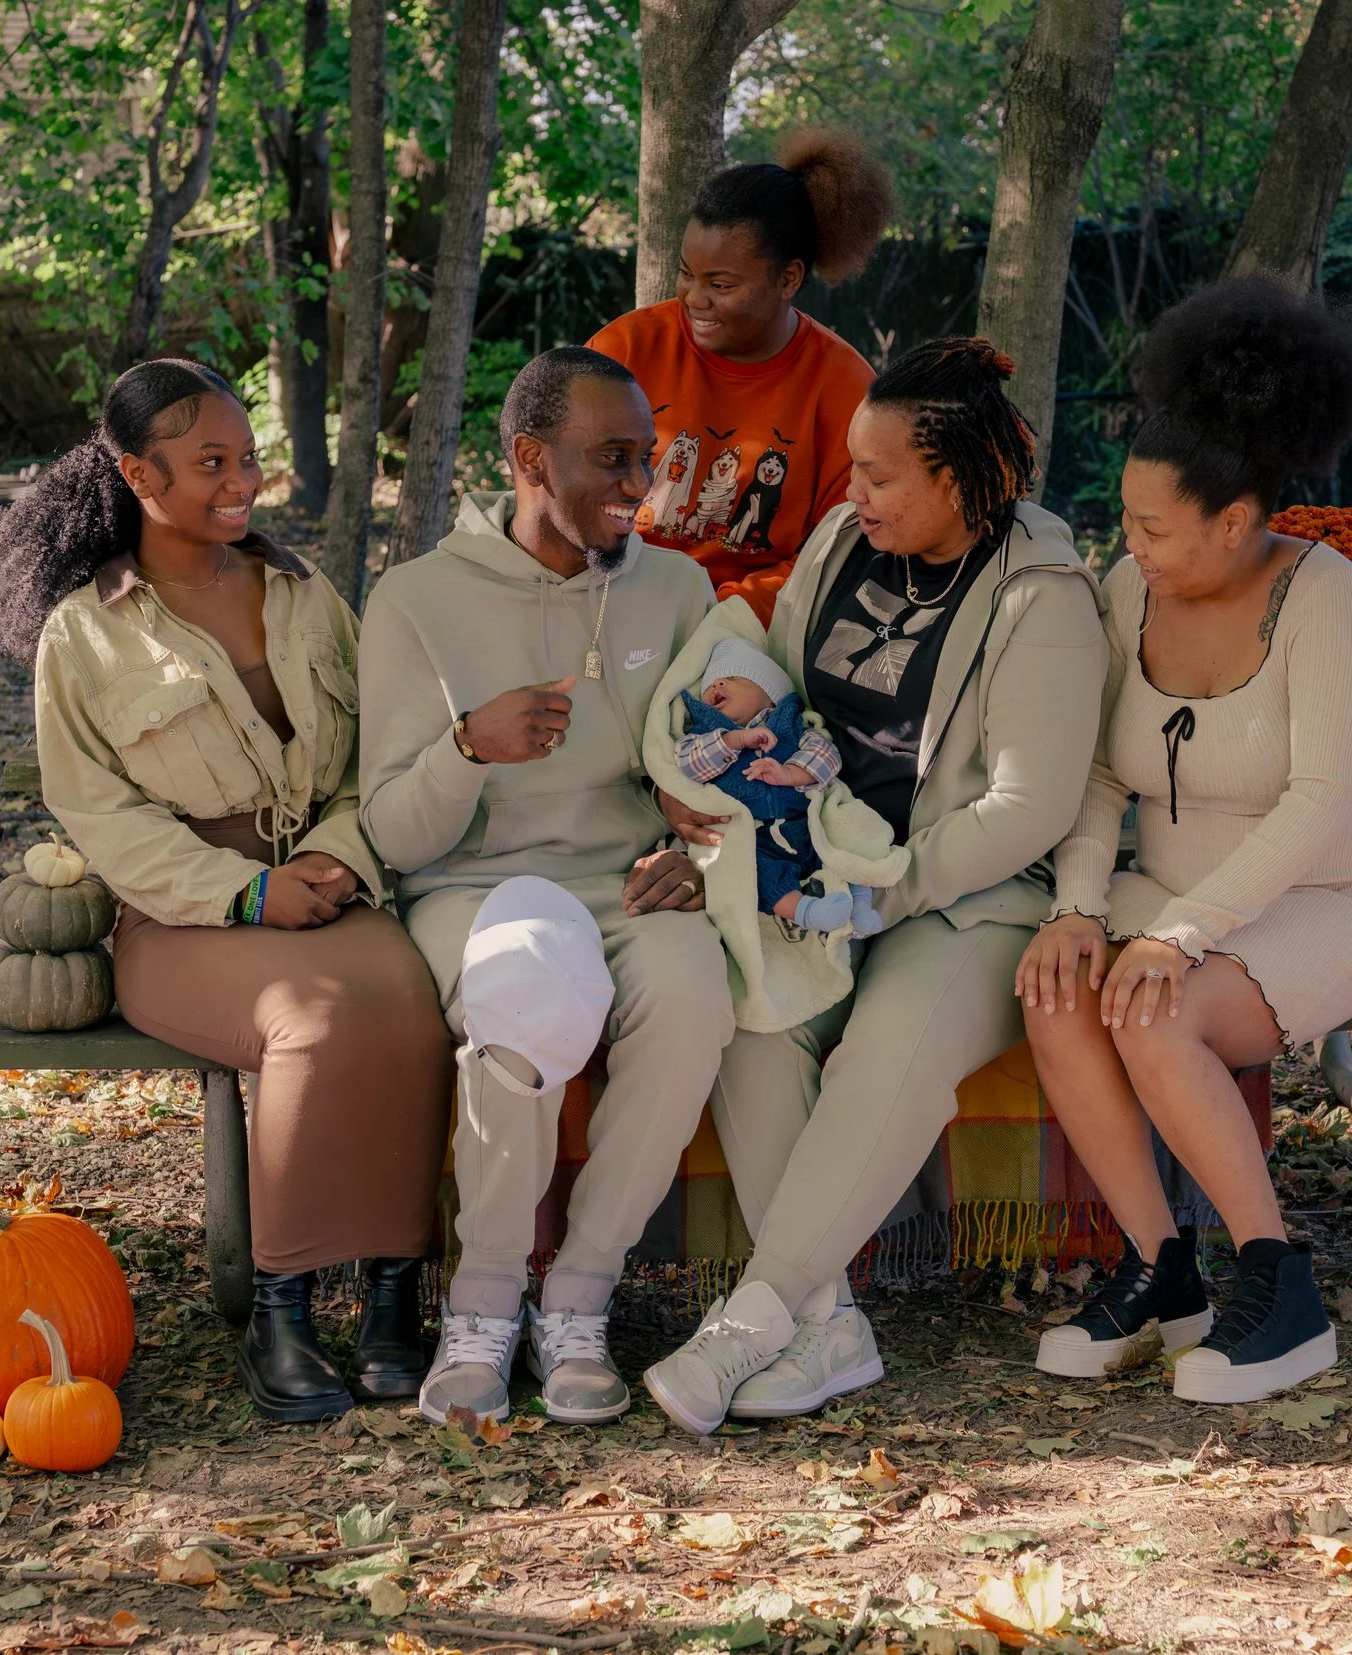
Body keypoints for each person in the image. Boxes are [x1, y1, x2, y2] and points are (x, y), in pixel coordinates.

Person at [0, 359, 453, 1425]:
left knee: (412, 1006)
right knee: (308, 1020)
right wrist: (245, 893)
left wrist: (340, 856)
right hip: (184, 918)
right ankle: (280, 1312)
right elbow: (100, 817)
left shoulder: (303, 592)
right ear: (139, 474)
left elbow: (375, 751)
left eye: (248, 457)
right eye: (211, 463)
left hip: (327, 885)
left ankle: (390, 1300)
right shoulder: (86, 633)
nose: (243, 483)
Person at [641, 339, 1107, 1433]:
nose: (851, 492)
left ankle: (749, 1320)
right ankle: (830, 1323)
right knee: (756, 1016)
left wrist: (882, 893)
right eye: (852, 467)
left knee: (888, 1048)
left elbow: (1030, 807)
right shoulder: (842, 541)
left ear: (959, 478)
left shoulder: (1042, 596)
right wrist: (713, 783)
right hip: (818, 867)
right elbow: (782, 688)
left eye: (879, 474)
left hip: (967, 895)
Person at [1020, 275, 1352, 1404]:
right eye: (1124, 521)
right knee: (1053, 987)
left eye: (1153, 528)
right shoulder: (1126, 592)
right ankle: (1161, 1271)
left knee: (1155, 1008)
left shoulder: (1327, 596)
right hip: (1164, 905)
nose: (1129, 545)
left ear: (1235, 520)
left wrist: (1180, 933)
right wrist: (1079, 905)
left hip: (1319, 906)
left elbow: (1321, 797)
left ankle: (1279, 1285)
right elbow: (1099, 772)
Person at [357, 345, 729, 1429]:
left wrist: (699, 860)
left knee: (695, 998)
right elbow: (393, 830)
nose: (639, 486)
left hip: (629, 886)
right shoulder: (417, 600)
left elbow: (713, 772)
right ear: (529, 459)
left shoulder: (678, 587)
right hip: (476, 888)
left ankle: (578, 1297)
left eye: (647, 458)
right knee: (522, 981)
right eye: (612, 459)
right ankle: (481, 1303)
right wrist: (467, 747)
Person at [589, 130, 894, 624]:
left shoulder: (844, 388)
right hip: (611, 598)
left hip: (749, 625)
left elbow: (842, 547)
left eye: (721, 284)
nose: (694, 298)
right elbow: (566, 491)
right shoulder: (625, 348)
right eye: (687, 274)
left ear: (788, 279)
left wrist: (725, 614)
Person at [669, 638, 878, 935]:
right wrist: (734, 741)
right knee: (752, 870)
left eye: (734, 678)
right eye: (711, 684)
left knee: (847, 838)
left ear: (771, 698)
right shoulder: (705, 736)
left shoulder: (792, 729)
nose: (717, 685)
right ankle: (806, 912)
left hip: (807, 823)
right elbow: (688, 764)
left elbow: (827, 757)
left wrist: (789, 774)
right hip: (755, 835)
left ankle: (860, 901)